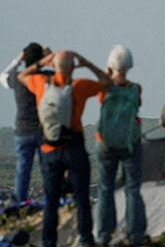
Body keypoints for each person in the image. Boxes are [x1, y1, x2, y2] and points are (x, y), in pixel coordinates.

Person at [18, 50, 113, 247]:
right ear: (72, 67)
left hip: (48, 149)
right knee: (81, 198)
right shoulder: (79, 86)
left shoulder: (40, 84)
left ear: (54, 66)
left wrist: (43, 61)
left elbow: (21, 76)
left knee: (51, 200)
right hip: (74, 147)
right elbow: (107, 82)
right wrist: (87, 63)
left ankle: (48, 241)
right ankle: (85, 238)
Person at [95, 45, 147, 246]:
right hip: (129, 142)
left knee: (105, 188)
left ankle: (103, 235)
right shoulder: (136, 88)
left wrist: (107, 72)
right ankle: (136, 234)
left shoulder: (105, 89)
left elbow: (102, 99)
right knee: (132, 188)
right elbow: (137, 105)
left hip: (105, 142)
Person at [1, 42, 51, 202]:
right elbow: (64, 76)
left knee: (23, 169)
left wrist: (18, 59)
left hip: (23, 130)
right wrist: (50, 58)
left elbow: (3, 77)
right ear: (41, 59)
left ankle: (19, 202)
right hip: (44, 131)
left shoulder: (18, 79)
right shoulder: (46, 77)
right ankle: (48, 202)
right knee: (47, 170)